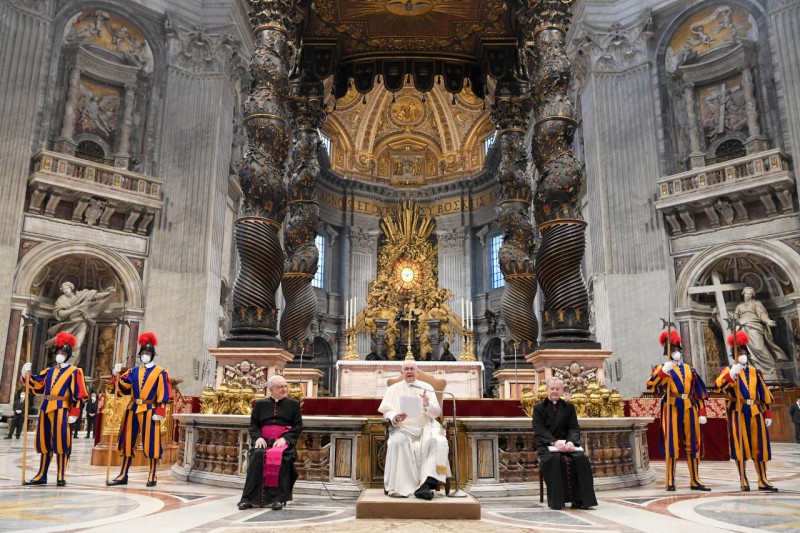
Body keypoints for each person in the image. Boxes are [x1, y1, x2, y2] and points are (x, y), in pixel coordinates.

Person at [20, 331, 88, 486]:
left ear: (68, 354)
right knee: (44, 443)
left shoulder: (75, 372)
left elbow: (80, 394)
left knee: (62, 443)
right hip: (46, 408)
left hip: (62, 409)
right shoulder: (48, 371)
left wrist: (75, 411)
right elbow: (37, 385)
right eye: (58, 352)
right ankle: (41, 474)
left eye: (62, 353)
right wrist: (25, 374)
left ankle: (61, 475)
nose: (59, 355)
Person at [646, 329, 710, 491]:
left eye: (677, 350)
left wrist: (701, 411)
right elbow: (651, 386)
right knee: (672, 444)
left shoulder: (690, 370)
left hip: (689, 406)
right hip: (672, 407)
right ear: (667, 353)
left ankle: (695, 480)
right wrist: (663, 371)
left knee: (693, 443)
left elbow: (699, 392)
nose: (676, 353)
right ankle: (670, 480)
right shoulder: (663, 368)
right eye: (672, 350)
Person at [107, 332, 173, 487]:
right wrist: (115, 374)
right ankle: (123, 474)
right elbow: (123, 387)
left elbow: (164, 393)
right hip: (132, 408)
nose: (145, 356)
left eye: (147, 353)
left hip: (150, 409)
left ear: (152, 355)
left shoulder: (160, 372)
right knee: (128, 441)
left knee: (151, 443)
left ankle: (152, 474)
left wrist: (161, 411)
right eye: (143, 353)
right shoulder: (133, 371)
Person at [714, 331, 778, 492]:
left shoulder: (755, 372)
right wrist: (731, 374)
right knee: (740, 445)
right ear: (734, 356)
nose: (743, 356)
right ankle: (743, 479)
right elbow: (719, 386)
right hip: (738, 412)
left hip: (756, 411)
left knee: (760, 446)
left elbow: (764, 393)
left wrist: (768, 412)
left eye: (744, 353)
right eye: (740, 354)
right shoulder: (728, 370)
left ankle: (763, 479)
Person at [378, 360, 450, 500]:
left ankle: (427, 484)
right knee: (396, 442)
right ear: (402, 373)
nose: (409, 371)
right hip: (402, 428)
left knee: (439, 441)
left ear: (417, 372)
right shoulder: (393, 389)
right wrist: (395, 417)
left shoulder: (427, 388)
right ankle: (404, 487)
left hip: (426, 427)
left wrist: (427, 404)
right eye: (406, 369)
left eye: (412, 369)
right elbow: (386, 411)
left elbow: (436, 413)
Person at [238, 375, 303, 511]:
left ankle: (278, 498)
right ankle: (247, 499)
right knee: (256, 456)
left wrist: (285, 439)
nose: (285, 389)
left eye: (286, 386)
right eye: (281, 387)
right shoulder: (260, 404)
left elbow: (297, 427)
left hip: (282, 443)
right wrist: (258, 438)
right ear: (271, 389)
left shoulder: (294, 405)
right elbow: (254, 426)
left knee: (281, 458)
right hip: (263, 442)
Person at [533, 377, 598, 510]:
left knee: (581, 459)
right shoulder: (538, 408)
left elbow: (574, 427)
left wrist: (571, 442)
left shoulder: (569, 407)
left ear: (562, 391)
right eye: (552, 389)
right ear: (547, 390)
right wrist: (554, 442)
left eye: (558, 389)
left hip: (567, 444)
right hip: (547, 445)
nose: (555, 391)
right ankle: (557, 500)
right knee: (555, 460)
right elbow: (539, 429)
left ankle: (580, 500)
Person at [46, 281, 116, 364]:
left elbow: (95, 296)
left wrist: (108, 293)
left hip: (82, 323)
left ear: (71, 288)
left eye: (67, 288)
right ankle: (61, 363)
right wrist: (75, 309)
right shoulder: (61, 300)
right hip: (68, 324)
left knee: (77, 345)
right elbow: (60, 314)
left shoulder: (81, 295)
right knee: (63, 345)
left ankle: (71, 365)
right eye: (64, 289)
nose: (65, 290)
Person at [734, 286, 790, 383]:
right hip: (743, 327)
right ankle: (755, 368)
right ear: (743, 294)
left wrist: (767, 321)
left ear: (752, 295)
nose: (747, 295)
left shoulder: (756, 303)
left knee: (759, 347)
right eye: (746, 293)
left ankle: (771, 367)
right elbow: (735, 317)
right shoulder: (739, 306)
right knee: (747, 351)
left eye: (749, 293)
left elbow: (762, 313)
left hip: (754, 327)